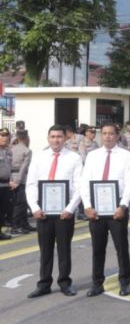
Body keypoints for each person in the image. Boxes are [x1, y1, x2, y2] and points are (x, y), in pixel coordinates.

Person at [26, 125, 82, 298]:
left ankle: (65, 282)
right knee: (45, 250)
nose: (56, 140)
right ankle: (44, 284)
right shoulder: (39, 157)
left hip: (64, 212)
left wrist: (70, 208)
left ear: (65, 138)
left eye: (59, 137)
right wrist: (34, 208)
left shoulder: (74, 158)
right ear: (48, 138)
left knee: (64, 249)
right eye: (53, 136)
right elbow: (31, 184)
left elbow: (79, 187)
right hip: (43, 211)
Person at [81, 124, 130, 297]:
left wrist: (123, 205)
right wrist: (87, 206)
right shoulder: (93, 155)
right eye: (104, 133)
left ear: (117, 136)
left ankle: (124, 282)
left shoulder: (126, 156)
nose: (107, 137)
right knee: (98, 248)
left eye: (111, 134)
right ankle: (97, 283)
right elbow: (85, 181)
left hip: (117, 207)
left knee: (121, 247)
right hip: (96, 207)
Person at [8, 129, 33, 234]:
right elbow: (24, 167)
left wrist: (11, 180)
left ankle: (24, 223)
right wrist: (18, 181)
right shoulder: (27, 151)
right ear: (27, 137)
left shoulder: (11, 149)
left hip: (11, 177)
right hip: (21, 179)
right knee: (21, 203)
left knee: (16, 203)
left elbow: (7, 165)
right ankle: (16, 225)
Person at [0, 128, 12, 239]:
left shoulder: (8, 151)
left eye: (6, 135)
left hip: (5, 185)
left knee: (3, 210)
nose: (5, 138)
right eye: (2, 135)